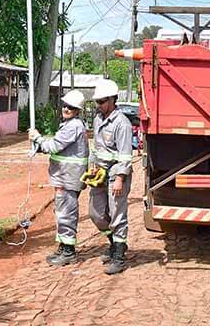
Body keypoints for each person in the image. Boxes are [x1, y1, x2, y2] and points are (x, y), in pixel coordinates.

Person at [29, 90, 88, 266]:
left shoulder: (73, 126)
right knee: (62, 212)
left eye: (71, 107)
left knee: (66, 213)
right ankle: (63, 246)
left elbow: (54, 146)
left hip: (68, 177)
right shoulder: (71, 125)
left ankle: (68, 251)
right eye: (65, 105)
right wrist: (40, 144)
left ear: (77, 110)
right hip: (66, 176)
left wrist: (38, 138)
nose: (66, 109)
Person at [87, 78, 132, 275]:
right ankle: (114, 242)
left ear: (113, 99)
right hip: (99, 173)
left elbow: (125, 155)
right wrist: (92, 166)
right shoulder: (98, 119)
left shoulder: (122, 124)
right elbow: (96, 147)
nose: (99, 105)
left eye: (102, 101)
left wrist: (120, 178)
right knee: (96, 214)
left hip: (116, 175)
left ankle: (119, 257)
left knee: (117, 215)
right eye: (97, 101)